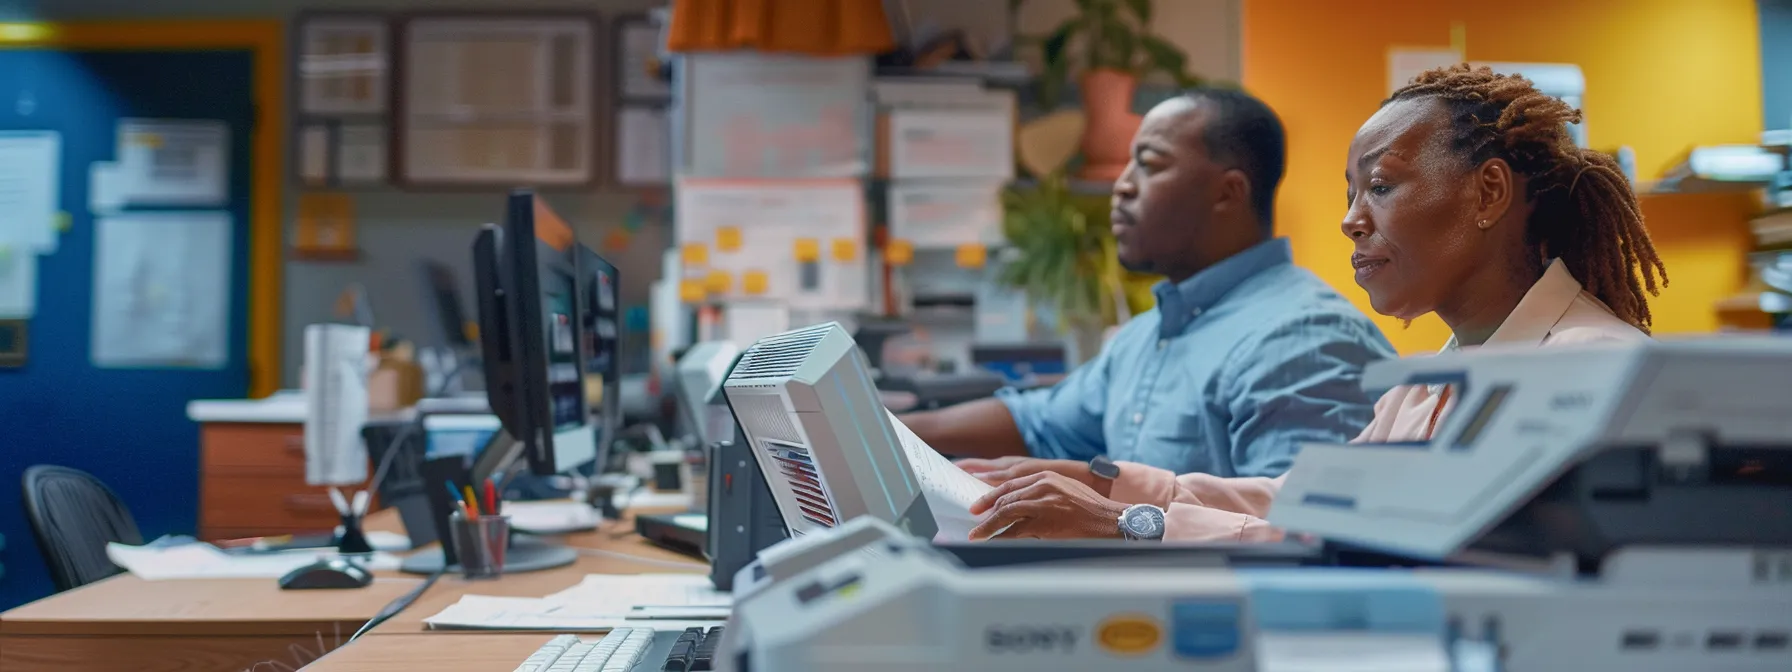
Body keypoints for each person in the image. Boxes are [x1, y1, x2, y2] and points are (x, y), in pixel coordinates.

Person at [961, 64, 1668, 542]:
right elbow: (1308, 501)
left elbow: (1369, 544)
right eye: (1349, 195)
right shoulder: (1428, 386)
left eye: (1381, 187)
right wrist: (1108, 485)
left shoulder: (1590, 373)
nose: (1351, 220)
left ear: (1488, 194)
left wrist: (1128, 522)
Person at [901, 88, 1395, 483]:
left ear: (1228, 193)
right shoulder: (1151, 333)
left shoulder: (1304, 337)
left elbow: (1294, 535)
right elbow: (1038, 424)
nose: (1122, 186)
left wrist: (1101, 503)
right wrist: (878, 427)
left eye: (1150, 164)